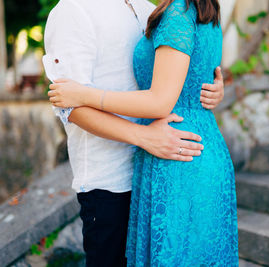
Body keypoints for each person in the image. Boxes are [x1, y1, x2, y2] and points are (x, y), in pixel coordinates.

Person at [43, 0, 226, 266]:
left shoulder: (147, 9)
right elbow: (69, 107)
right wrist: (143, 136)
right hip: (110, 180)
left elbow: (178, 73)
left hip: (157, 173)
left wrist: (206, 90)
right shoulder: (73, 10)